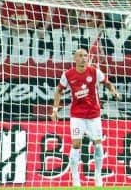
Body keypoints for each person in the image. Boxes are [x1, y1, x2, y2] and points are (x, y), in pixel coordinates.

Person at [51, 48, 120, 187]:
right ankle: (76, 180)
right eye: (80, 56)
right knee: (76, 144)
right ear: (75, 59)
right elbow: (58, 91)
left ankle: (98, 177)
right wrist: (54, 110)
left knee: (98, 145)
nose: (83, 58)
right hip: (77, 116)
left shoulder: (94, 72)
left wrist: (114, 91)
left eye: (85, 56)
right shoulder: (68, 74)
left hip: (94, 115)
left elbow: (107, 83)